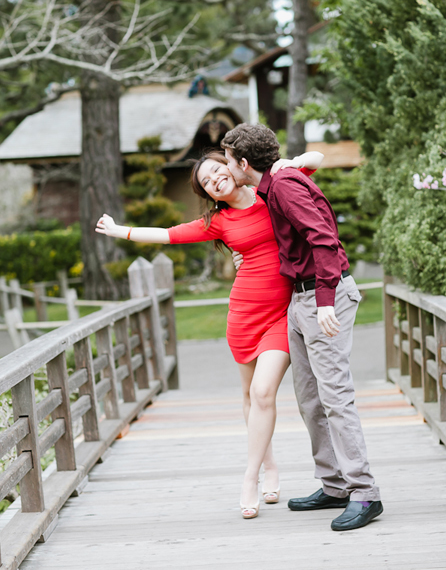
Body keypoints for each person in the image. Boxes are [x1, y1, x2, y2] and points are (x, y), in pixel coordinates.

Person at [95, 146, 325, 517]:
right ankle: (269, 468)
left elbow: (316, 160)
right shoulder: (218, 223)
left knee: (264, 392)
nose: (215, 181)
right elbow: (168, 235)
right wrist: (119, 231)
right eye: (207, 183)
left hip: (282, 313)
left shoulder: (273, 190)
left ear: (233, 167)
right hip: (244, 314)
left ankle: (248, 478)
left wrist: (290, 162)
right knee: (251, 398)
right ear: (208, 194)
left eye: (218, 172)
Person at [220, 122, 382, 532]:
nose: (225, 170)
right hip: (300, 297)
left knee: (335, 397)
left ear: (243, 163)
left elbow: (324, 240)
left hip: (323, 297)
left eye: (227, 161)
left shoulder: (286, 186)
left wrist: (326, 301)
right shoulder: (272, 184)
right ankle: (334, 485)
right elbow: (311, 164)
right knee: (310, 398)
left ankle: (364, 492)